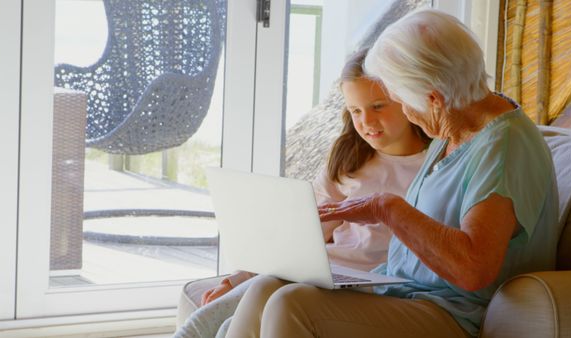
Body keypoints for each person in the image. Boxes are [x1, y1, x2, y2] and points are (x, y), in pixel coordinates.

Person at [223, 9, 559, 338]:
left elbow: (472, 269)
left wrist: (388, 209)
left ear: (434, 99)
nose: (408, 115)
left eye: (401, 100)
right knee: (268, 286)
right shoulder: (455, 129)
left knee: (291, 304)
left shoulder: (505, 148)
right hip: (401, 293)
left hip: (453, 314)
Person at [173, 48, 430, 338]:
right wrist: (243, 273)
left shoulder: (432, 166)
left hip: (371, 286)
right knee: (225, 317)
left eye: (379, 106)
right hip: (324, 272)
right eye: (356, 111)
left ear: (406, 99)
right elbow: (306, 233)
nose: (367, 122)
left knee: (245, 312)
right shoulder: (350, 157)